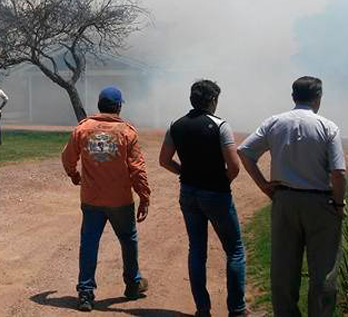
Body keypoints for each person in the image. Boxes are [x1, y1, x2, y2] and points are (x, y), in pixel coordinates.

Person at [237, 76, 346, 317]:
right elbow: (338, 173)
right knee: (323, 270)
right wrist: (339, 204)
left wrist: (264, 185)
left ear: (293, 96)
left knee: (284, 268)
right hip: (320, 202)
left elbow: (244, 152)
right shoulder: (328, 127)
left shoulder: (275, 122)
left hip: (284, 200)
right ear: (318, 98)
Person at [159, 80, 246, 317]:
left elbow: (164, 161)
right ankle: (237, 310)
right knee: (235, 250)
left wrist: (184, 173)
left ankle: (203, 309)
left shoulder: (175, 126)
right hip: (216, 193)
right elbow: (234, 166)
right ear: (213, 101)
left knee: (197, 249)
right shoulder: (220, 126)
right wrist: (221, 181)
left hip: (188, 192)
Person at [61, 87, 151, 312]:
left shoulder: (83, 129)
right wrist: (144, 196)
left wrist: (74, 175)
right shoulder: (127, 132)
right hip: (120, 200)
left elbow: (67, 157)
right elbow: (137, 168)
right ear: (119, 106)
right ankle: (132, 284)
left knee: (89, 243)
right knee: (128, 240)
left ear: (99, 104)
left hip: (91, 199)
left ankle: (85, 293)